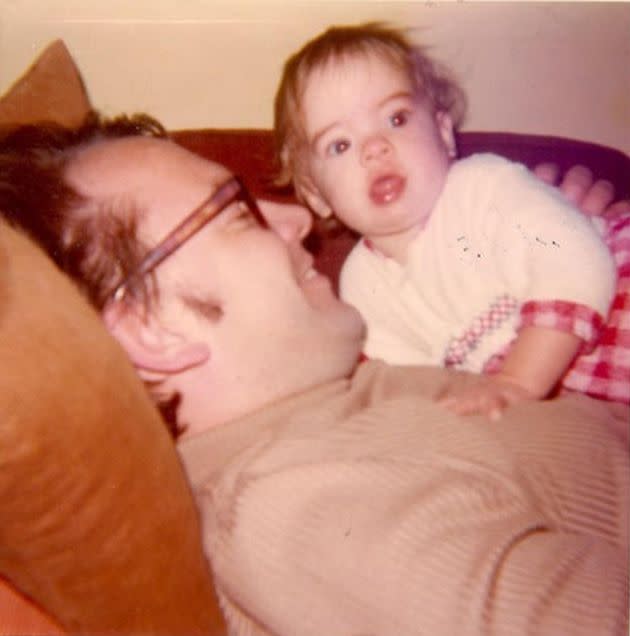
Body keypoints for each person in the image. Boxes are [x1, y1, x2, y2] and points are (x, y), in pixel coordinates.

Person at [0, 114, 627, 635]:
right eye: (238, 212)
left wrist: (556, 246)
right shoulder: (290, 511)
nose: (298, 219)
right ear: (152, 331)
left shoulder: (347, 407)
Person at [273, 23, 630, 419]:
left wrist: (517, 382)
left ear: (443, 132)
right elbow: (415, 385)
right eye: (340, 144)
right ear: (316, 195)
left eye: (396, 119)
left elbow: (577, 265)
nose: (375, 148)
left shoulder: (482, 186)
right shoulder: (362, 288)